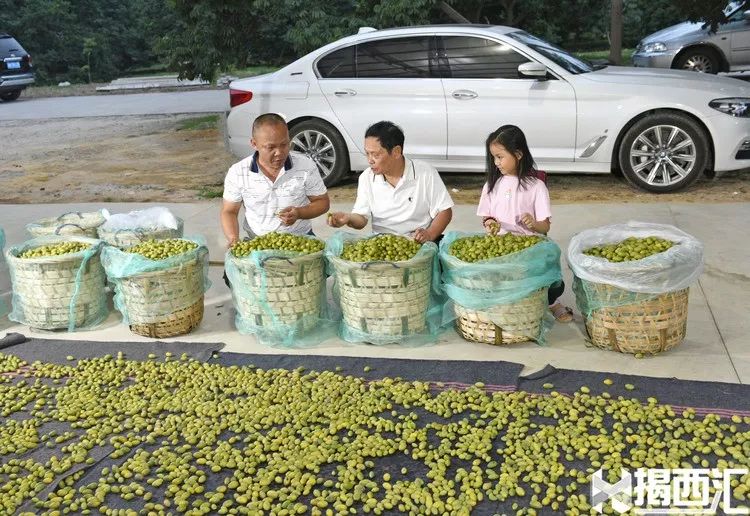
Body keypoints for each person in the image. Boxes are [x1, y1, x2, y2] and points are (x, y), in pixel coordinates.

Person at [477, 124, 573, 323]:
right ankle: (507, 304)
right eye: (493, 157)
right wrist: (490, 223)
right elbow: (486, 216)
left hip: (529, 246)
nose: (496, 162)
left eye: (500, 157)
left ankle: (552, 302)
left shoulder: (536, 187)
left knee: (543, 277)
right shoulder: (492, 185)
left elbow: (545, 227)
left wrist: (533, 224)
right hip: (499, 245)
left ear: (518, 154)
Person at [327, 121, 453, 243]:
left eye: (375, 155)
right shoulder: (367, 177)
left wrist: (430, 234)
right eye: (367, 154)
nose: (370, 160)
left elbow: (444, 211)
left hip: (418, 242)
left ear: (396, 152)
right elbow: (361, 218)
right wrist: (348, 218)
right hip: (382, 244)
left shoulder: (425, 173)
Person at [220, 113, 330, 248]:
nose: (279, 152)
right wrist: (233, 238)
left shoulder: (305, 166)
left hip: (301, 240)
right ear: (254, 144)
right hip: (258, 241)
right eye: (270, 147)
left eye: (284, 144)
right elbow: (229, 211)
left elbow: (323, 202)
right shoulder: (238, 172)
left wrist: (299, 213)